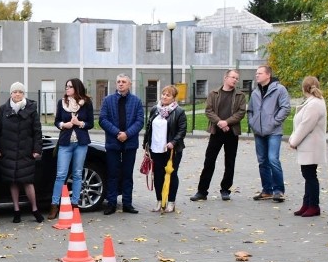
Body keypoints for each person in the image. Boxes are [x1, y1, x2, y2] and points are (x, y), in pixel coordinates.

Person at [189, 69, 247, 201]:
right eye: (233, 77)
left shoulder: (240, 95)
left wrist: (227, 122)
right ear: (225, 78)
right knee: (209, 161)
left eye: (237, 78)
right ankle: (202, 191)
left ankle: (225, 189)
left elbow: (241, 112)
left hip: (232, 132)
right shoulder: (214, 94)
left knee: (230, 162)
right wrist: (219, 122)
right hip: (216, 132)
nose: (235, 80)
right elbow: (208, 110)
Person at [0, 82, 44, 223]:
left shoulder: (31, 109)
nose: (17, 94)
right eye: (14, 92)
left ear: (23, 94)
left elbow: (37, 132)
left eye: (20, 92)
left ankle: (34, 209)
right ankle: (16, 211)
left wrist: (36, 150)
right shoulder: (4, 109)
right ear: (11, 94)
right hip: (8, 152)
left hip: (25, 152)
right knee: (13, 182)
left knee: (28, 182)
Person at [99, 74, 144, 215]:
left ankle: (127, 203)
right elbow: (103, 120)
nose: (120, 84)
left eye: (123, 82)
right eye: (118, 81)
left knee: (127, 174)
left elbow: (139, 121)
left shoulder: (136, 101)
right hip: (113, 143)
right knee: (112, 174)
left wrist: (127, 134)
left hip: (130, 144)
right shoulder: (108, 100)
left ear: (129, 84)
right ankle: (111, 203)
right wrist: (118, 133)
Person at [49, 79, 94, 219]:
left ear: (77, 88)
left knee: (77, 174)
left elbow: (91, 123)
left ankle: (75, 204)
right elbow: (56, 121)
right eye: (66, 86)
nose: (67, 89)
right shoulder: (61, 102)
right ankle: (54, 205)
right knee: (61, 174)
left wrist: (80, 123)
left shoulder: (86, 103)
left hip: (81, 143)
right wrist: (64, 124)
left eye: (70, 87)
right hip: (65, 143)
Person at [248, 65, 290, 202]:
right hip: (259, 132)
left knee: (273, 159)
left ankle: (279, 190)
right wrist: (252, 123)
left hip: (274, 131)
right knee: (262, 161)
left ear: (268, 75)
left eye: (259, 73)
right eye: (256, 73)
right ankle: (267, 190)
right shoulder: (255, 92)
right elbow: (250, 110)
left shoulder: (279, 89)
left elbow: (285, 108)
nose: (257, 75)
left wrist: (273, 122)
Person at [288, 76, 327, 218]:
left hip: (311, 145)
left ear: (304, 88)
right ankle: (307, 203)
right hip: (309, 145)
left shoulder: (314, 104)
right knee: (308, 175)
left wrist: (293, 141)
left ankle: (313, 205)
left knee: (310, 176)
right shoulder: (313, 102)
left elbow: (306, 126)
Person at [143, 85, 187, 213]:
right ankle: (159, 201)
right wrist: (146, 144)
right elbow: (148, 127)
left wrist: (173, 142)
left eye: (168, 95)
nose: (164, 97)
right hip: (155, 149)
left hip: (172, 150)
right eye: (163, 94)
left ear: (173, 98)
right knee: (157, 176)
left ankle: (171, 202)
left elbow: (182, 130)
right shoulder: (154, 110)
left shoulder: (179, 112)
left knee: (172, 175)